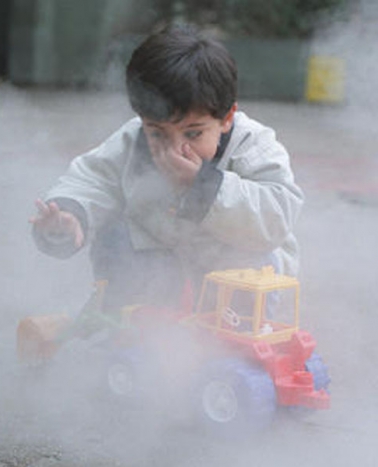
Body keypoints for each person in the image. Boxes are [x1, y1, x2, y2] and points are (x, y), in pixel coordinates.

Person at [29, 24, 304, 311]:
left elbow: (276, 216)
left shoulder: (253, 145)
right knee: (116, 236)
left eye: (193, 133)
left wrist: (203, 186)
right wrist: (71, 215)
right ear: (143, 118)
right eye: (158, 133)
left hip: (235, 278)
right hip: (165, 270)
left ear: (226, 118)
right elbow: (92, 180)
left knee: (252, 265)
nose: (174, 149)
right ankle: (129, 324)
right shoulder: (132, 140)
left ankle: (235, 345)